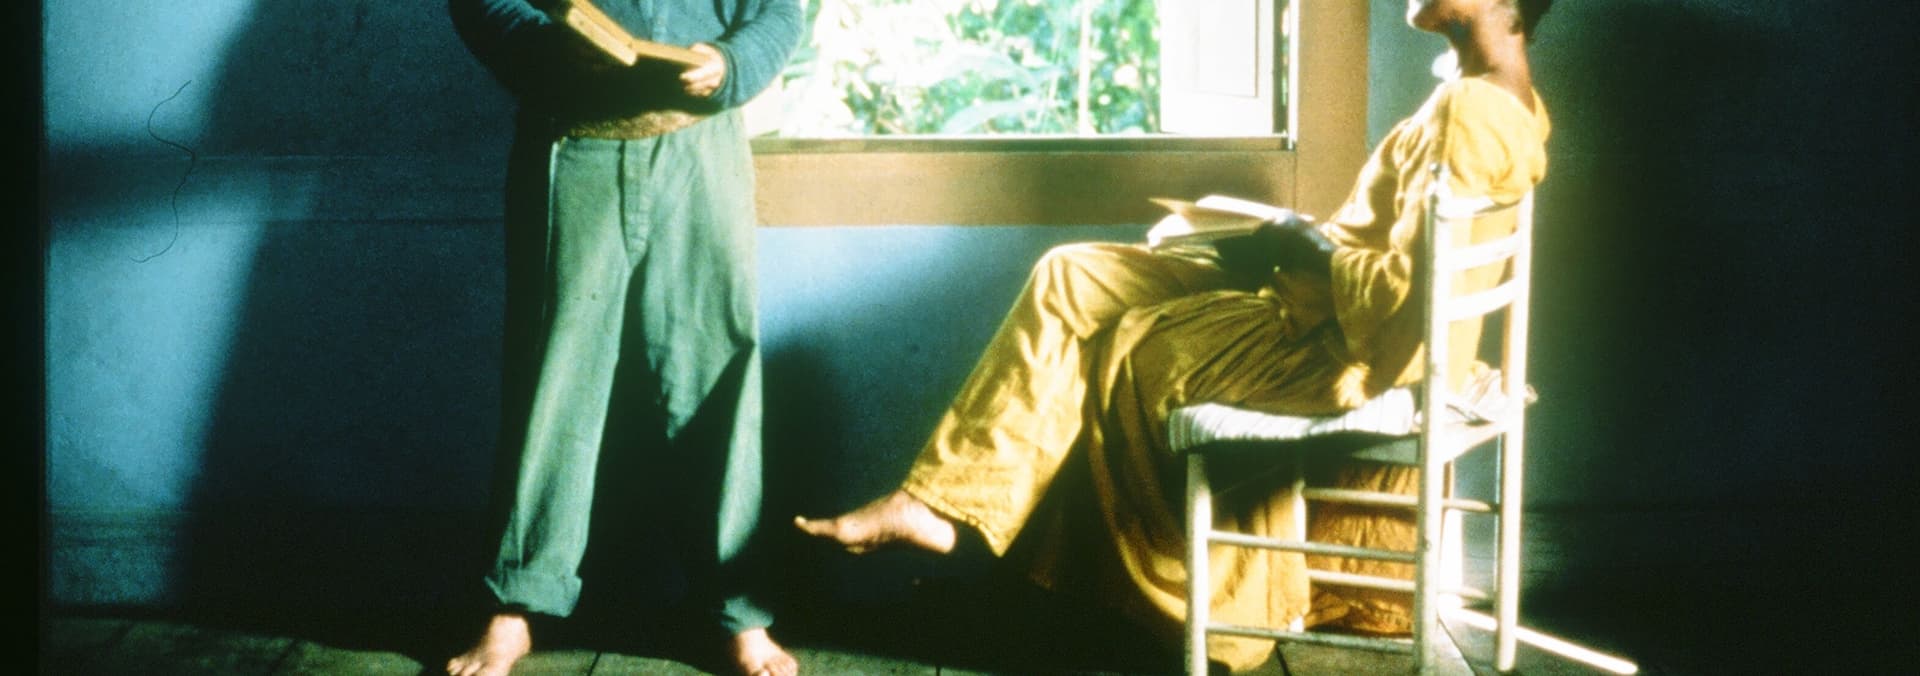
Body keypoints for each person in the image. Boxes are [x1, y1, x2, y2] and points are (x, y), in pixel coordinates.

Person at [795, 0, 1552, 671]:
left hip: (1336, 346)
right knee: (1072, 276)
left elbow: (1405, 309)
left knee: (1130, 345)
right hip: (1312, 297)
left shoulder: (1471, 112)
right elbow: (1393, 259)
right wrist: (1278, 242)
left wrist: (1303, 244)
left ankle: (1120, 604)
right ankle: (939, 505)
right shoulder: (1487, 96)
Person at [443, 1, 801, 675]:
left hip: (702, 150)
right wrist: (547, 48)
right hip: (573, 142)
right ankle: (514, 604)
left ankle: (737, 610)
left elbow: (778, 12)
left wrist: (730, 65)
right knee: (551, 381)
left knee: (716, 376)